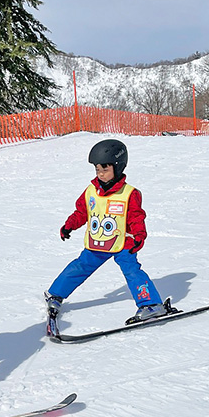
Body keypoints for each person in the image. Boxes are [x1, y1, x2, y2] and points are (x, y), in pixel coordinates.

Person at [44, 139, 167, 325]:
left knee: (132, 271)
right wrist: (69, 225)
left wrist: (139, 237)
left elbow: (136, 217)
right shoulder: (91, 191)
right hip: (97, 242)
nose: (100, 174)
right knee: (80, 266)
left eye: (105, 170)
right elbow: (81, 212)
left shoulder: (129, 193)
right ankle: (55, 294)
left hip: (123, 243)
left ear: (118, 168)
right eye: (97, 170)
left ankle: (151, 305)